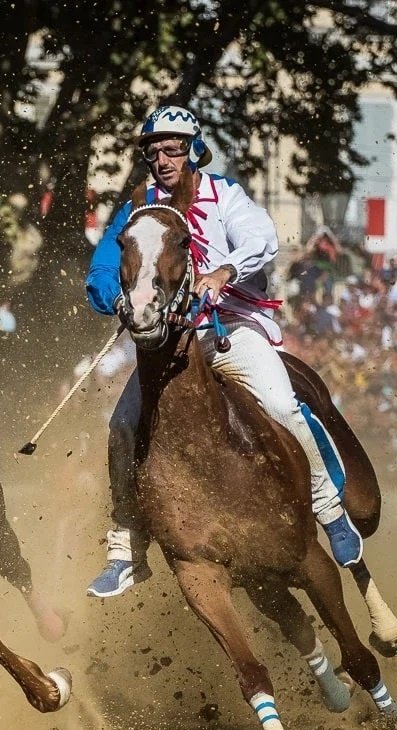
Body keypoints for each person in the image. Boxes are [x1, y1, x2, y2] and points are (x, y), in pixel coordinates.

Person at [83, 105, 362, 598]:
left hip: (232, 326)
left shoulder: (225, 194)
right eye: (154, 152)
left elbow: (261, 237)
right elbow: (107, 259)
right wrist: (113, 296)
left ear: (193, 150)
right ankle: (125, 547)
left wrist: (223, 272)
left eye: (172, 149)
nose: (163, 159)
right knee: (122, 425)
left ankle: (329, 510)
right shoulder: (138, 207)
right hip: (172, 342)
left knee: (281, 405)